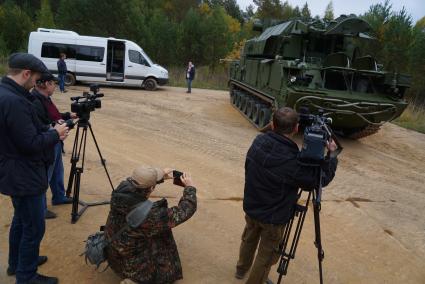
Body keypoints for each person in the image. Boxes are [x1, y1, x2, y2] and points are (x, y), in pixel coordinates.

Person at [235, 107, 338, 284]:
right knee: (266, 255)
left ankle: (241, 269)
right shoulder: (293, 161)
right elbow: (317, 181)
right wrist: (332, 156)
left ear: (272, 124)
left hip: (252, 207)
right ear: (296, 129)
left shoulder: (258, 141)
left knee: (249, 238)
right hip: (273, 217)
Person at [0, 53, 69, 284]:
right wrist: (55, 134)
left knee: (21, 220)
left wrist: (49, 127)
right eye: (36, 78)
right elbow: (29, 144)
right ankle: (26, 275)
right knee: (33, 227)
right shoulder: (15, 101)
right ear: (26, 73)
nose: (37, 83)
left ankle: (16, 264)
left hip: (14, 171)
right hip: (24, 173)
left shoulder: (7, 93)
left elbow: (25, 131)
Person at [105, 166, 197, 284]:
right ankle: (134, 280)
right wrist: (190, 188)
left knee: (149, 231)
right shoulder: (150, 215)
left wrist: (159, 177)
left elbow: (140, 184)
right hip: (130, 268)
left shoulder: (120, 192)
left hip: (113, 256)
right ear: (152, 188)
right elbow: (185, 210)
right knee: (163, 232)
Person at [31, 71, 76, 219]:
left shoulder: (45, 98)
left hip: (55, 141)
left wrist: (68, 116)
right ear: (45, 84)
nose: (55, 86)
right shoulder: (36, 101)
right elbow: (41, 125)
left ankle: (59, 196)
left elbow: (54, 116)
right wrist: (56, 126)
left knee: (57, 171)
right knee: (46, 175)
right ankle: (40, 209)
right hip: (47, 143)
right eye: (53, 83)